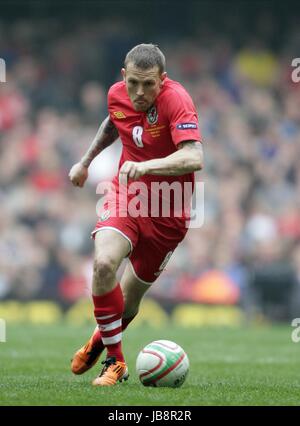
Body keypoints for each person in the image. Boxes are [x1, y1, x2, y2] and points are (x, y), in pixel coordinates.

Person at [68, 43, 203, 386]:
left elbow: (194, 157)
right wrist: (85, 161)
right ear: (124, 77)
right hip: (127, 196)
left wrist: (147, 166)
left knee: (128, 305)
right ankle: (116, 362)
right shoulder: (116, 94)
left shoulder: (177, 100)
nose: (140, 93)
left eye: (149, 85)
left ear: (163, 80)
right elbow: (114, 123)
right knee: (102, 265)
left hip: (168, 210)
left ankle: (100, 340)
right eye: (133, 84)